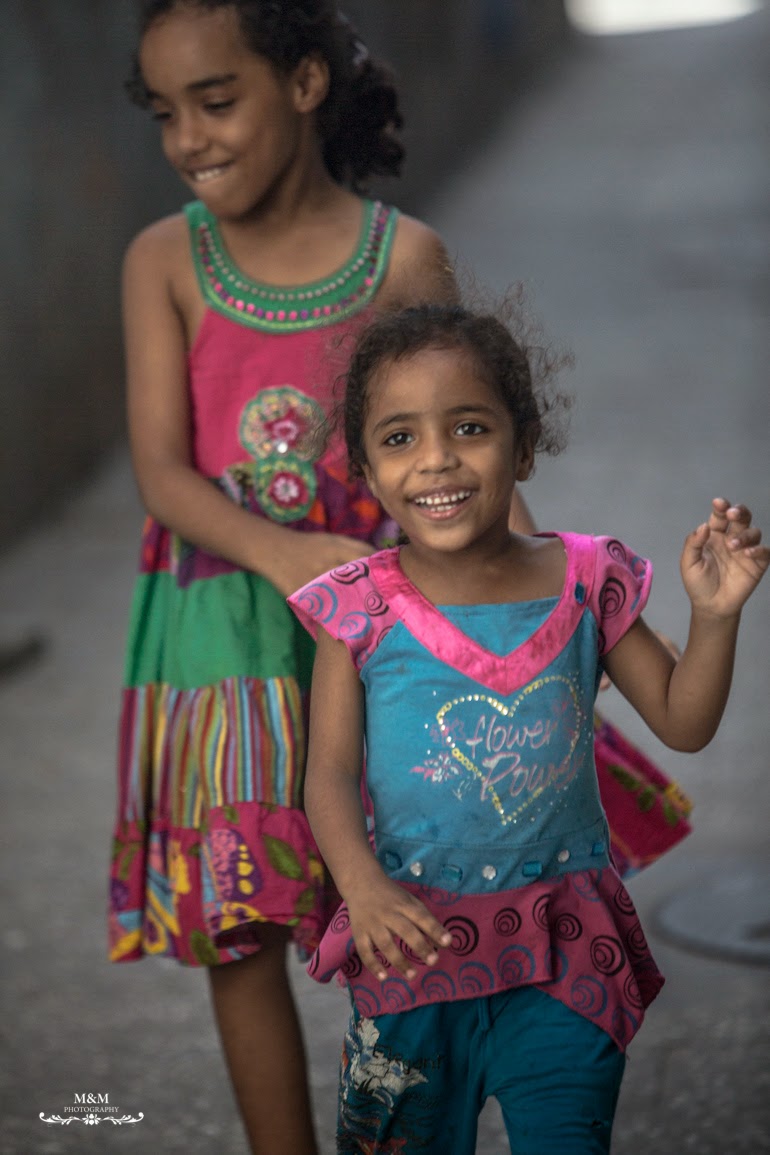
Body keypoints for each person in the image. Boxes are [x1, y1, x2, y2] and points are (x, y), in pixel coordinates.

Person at [106, 3, 493, 1152]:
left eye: (215, 101)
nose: (188, 137)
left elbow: (463, 449)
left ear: (307, 83)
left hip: (378, 635)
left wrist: (529, 607)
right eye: (164, 112)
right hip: (220, 626)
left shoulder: (405, 258)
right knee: (238, 925)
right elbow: (163, 471)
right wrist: (283, 557)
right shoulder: (162, 260)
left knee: (415, 900)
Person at [288, 300, 769, 1154]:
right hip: (413, 958)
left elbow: (684, 722)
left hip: (566, 954)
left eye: (468, 426)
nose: (436, 458)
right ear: (363, 467)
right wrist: (360, 888)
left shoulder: (591, 580)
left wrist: (717, 617)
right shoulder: (355, 609)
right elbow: (327, 775)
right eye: (399, 438)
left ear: (524, 443)